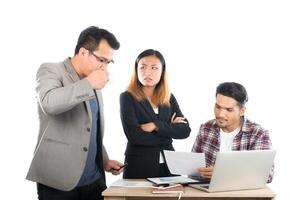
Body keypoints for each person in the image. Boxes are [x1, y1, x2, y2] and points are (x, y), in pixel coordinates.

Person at [26, 26, 124, 200]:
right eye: (102, 60)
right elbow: (49, 103)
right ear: (83, 52)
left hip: (94, 181)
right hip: (58, 182)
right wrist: (88, 84)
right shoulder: (51, 70)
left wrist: (104, 161)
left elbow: (89, 130)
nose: (105, 67)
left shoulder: (93, 82)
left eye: (109, 62)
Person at [120, 49, 191, 179]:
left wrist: (155, 126)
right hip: (140, 165)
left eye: (154, 68)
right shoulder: (127, 97)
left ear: (162, 71)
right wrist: (168, 132)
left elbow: (184, 131)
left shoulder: (168, 98)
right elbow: (134, 136)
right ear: (136, 70)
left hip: (169, 166)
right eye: (142, 67)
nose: (147, 72)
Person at [192, 82, 274, 183]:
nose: (221, 114)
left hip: (241, 194)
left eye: (229, 110)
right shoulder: (205, 128)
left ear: (242, 111)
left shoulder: (258, 134)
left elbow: (267, 175)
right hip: (207, 191)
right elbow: (193, 168)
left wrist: (223, 174)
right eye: (218, 107)